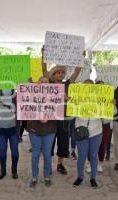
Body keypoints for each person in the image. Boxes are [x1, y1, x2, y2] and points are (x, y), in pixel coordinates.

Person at [42, 46, 82, 175]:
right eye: (58, 72)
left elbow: (76, 71)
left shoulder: (67, 84)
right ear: (53, 74)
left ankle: (60, 164)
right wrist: (44, 54)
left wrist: (80, 56)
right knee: (49, 142)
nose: (61, 74)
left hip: (64, 118)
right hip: (51, 118)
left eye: (62, 73)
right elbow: (44, 69)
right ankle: (48, 165)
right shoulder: (48, 83)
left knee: (63, 142)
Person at [27, 76, 57, 188]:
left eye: (46, 81)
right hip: (34, 129)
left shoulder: (55, 95)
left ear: (49, 84)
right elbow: (25, 108)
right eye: (42, 81)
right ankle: (34, 177)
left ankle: (47, 176)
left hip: (50, 130)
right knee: (35, 155)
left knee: (47, 155)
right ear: (38, 83)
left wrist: (48, 116)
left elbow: (59, 110)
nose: (44, 83)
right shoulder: (31, 95)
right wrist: (37, 116)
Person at [73, 79, 103, 188]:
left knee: (94, 156)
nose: (88, 88)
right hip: (81, 131)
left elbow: (111, 114)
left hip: (96, 132)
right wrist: (70, 102)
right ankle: (80, 177)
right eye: (85, 86)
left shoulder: (100, 99)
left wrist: (111, 105)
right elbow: (71, 113)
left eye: (90, 86)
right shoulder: (77, 99)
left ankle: (93, 178)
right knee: (81, 155)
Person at [0, 89, 20, 180]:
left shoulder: (17, 97)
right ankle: (3, 170)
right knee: (2, 153)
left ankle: (14, 170)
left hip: (13, 130)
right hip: (1, 130)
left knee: (15, 152)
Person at [96, 80, 112, 172]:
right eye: (99, 86)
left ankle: (100, 163)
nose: (101, 88)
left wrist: (113, 105)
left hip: (105, 125)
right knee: (92, 145)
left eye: (103, 86)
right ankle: (90, 163)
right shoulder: (90, 98)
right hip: (92, 125)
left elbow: (114, 112)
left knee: (102, 145)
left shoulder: (109, 98)